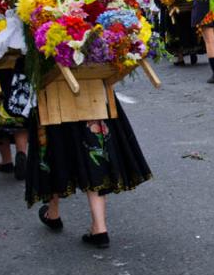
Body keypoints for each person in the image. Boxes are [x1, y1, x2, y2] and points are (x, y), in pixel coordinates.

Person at [27, 100, 153, 249]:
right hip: (92, 96)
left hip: (57, 98)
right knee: (92, 153)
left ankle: (54, 214)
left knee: (54, 151)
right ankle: (99, 227)